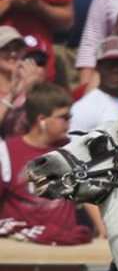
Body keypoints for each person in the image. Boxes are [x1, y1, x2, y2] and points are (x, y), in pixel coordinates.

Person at [0, 82, 93, 245]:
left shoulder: (72, 151)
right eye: (64, 117)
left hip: (64, 249)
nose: (69, 122)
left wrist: (104, 232)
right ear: (42, 119)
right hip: (20, 252)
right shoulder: (6, 151)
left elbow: (90, 196)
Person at [68, 35, 118, 150]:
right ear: (98, 66)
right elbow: (72, 153)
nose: (116, 69)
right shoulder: (84, 108)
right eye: (109, 64)